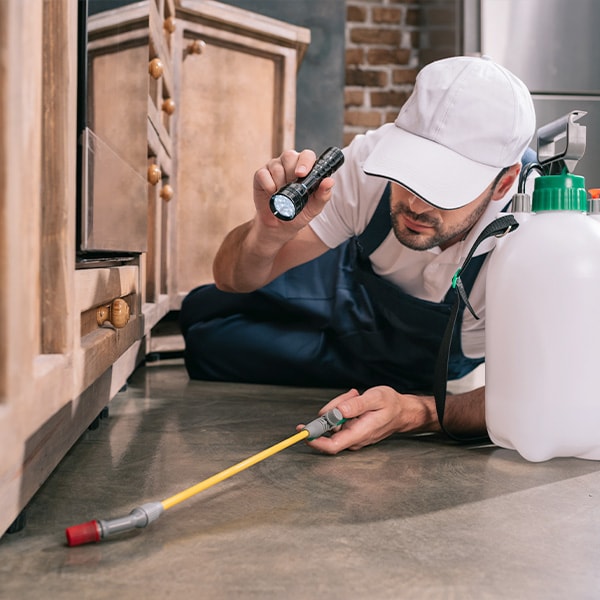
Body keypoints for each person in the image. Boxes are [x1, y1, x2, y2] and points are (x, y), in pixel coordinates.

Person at [180, 55, 536, 454]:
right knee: (201, 308)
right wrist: (266, 234)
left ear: (503, 184)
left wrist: (416, 412)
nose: (416, 203)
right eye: (409, 172)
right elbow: (232, 279)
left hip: (415, 361)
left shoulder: (536, 242)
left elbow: (541, 396)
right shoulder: (368, 160)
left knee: (212, 348)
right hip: (350, 282)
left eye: (444, 187)